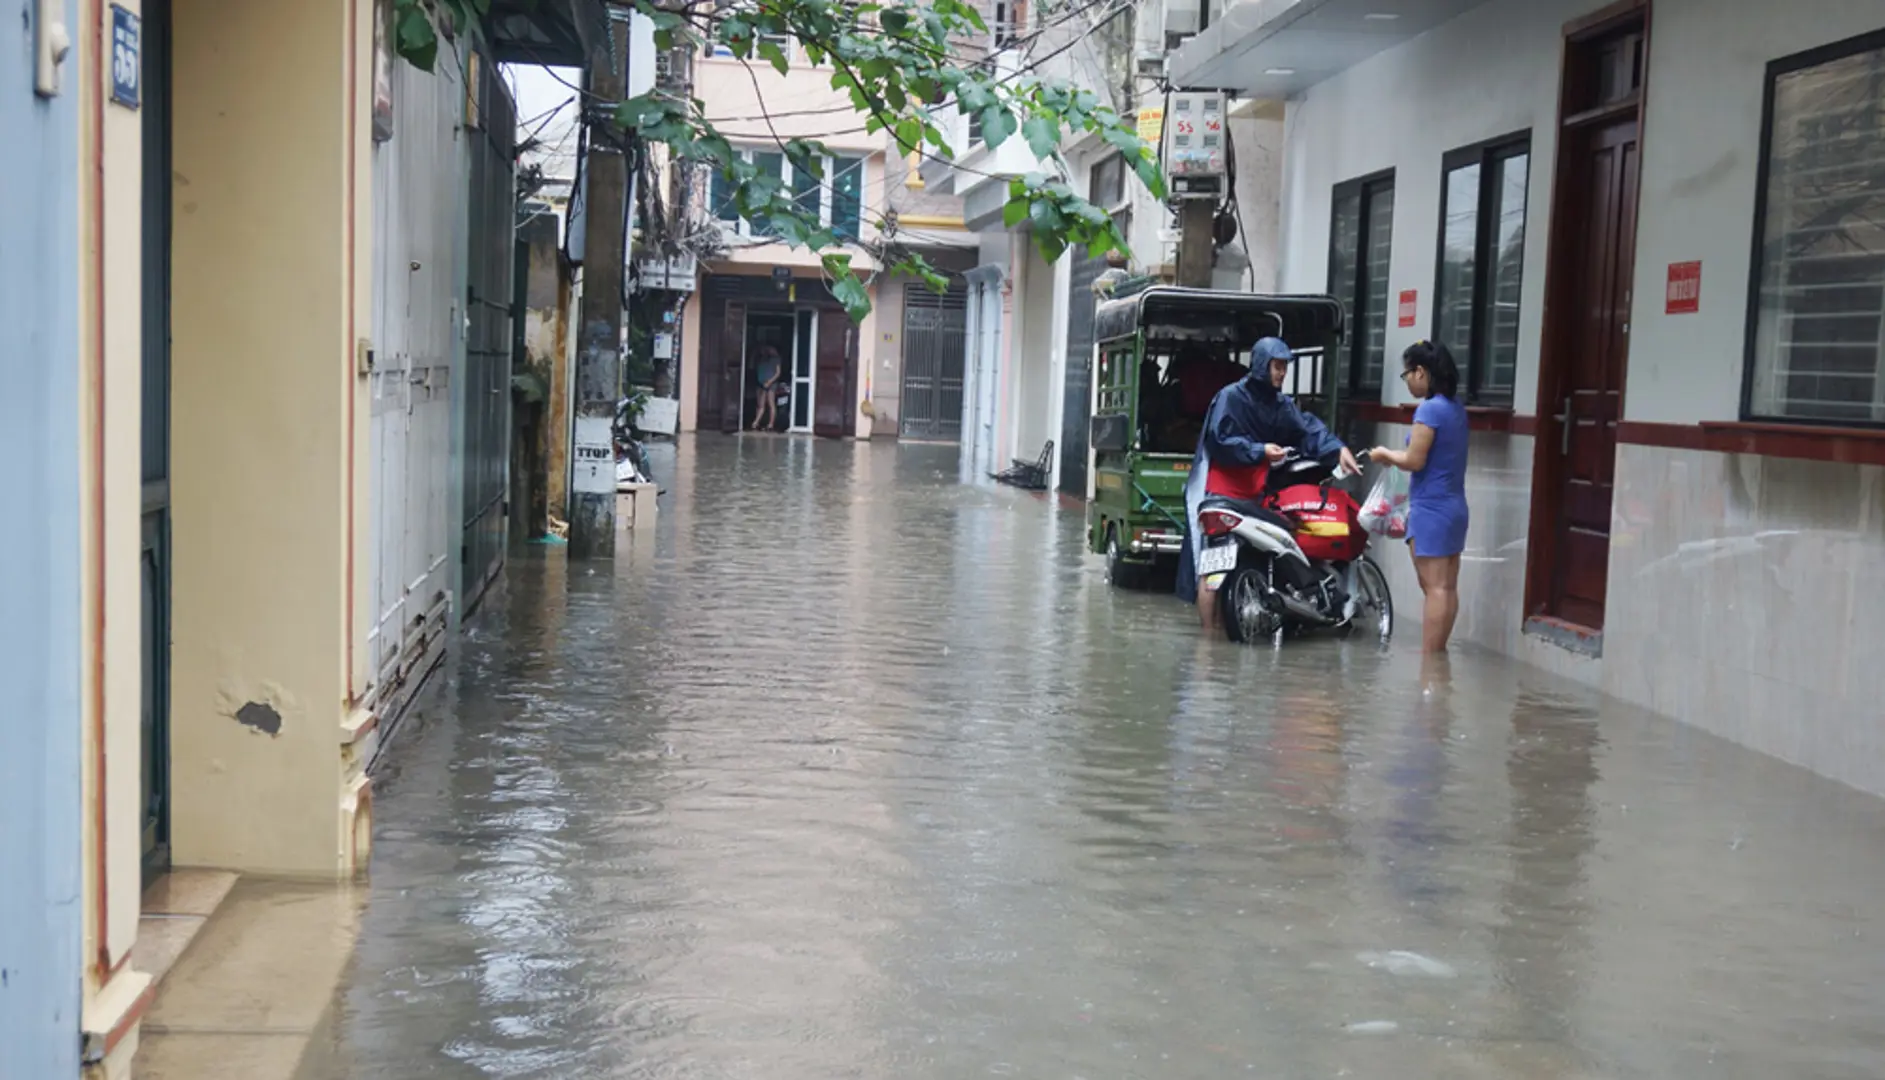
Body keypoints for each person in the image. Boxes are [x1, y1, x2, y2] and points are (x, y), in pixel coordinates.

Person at [1178, 337, 1361, 633]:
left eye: (1285, 367)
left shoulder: (1280, 404)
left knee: (1248, 562)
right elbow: (1220, 439)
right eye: (1277, 366)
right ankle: (1208, 640)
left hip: (1255, 492)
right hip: (1221, 491)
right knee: (1212, 567)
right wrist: (1259, 451)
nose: (1282, 373)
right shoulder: (1230, 397)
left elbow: (1307, 429)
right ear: (1262, 365)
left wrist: (1337, 449)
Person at [1368, 340, 1470, 653]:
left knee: (1434, 588)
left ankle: (1431, 662)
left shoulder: (1430, 409)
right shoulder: (1456, 409)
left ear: (1421, 372)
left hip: (1432, 509)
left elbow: (1415, 460)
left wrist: (1385, 453)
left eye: (1407, 375)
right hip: (1454, 507)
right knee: (1447, 587)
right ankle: (1438, 661)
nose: (1408, 381)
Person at [750, 346, 783, 431]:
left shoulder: (776, 359)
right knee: (760, 405)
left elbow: (778, 373)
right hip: (762, 383)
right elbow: (755, 369)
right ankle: (756, 423)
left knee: (771, 404)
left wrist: (770, 382)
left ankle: (770, 424)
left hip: (771, 384)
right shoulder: (760, 359)